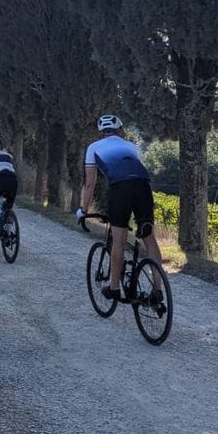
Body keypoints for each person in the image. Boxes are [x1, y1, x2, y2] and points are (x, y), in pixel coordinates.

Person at [76, 114, 163, 302]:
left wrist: (83, 209)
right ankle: (158, 289)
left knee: (119, 240)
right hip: (143, 187)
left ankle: (114, 288)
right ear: (120, 130)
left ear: (101, 132)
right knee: (149, 237)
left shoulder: (93, 148)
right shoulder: (132, 147)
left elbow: (90, 184)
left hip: (120, 189)